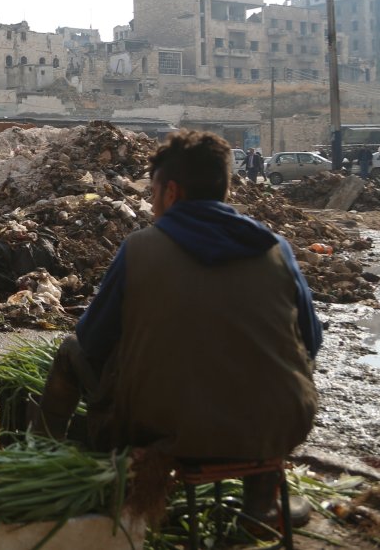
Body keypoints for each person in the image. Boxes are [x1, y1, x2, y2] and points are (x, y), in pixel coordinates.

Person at [31, 130, 321, 528]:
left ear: (170, 193)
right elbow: (312, 341)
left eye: (152, 194)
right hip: (277, 427)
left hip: (160, 429)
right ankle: (261, 506)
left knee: (68, 352)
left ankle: (41, 466)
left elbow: (92, 342)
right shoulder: (276, 248)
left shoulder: (140, 249)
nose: (151, 206)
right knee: (264, 372)